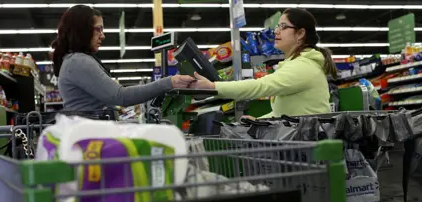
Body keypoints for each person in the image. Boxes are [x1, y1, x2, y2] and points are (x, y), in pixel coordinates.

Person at [189, 8, 337, 120]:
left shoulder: (304, 66)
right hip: (301, 140)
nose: (276, 32)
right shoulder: (295, 63)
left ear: (300, 34)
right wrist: (260, 121)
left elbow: (260, 86)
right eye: (277, 26)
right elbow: (285, 113)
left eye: (283, 27)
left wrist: (213, 87)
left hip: (309, 145)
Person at [52, 5, 194, 111]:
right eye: (98, 29)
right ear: (82, 31)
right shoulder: (78, 61)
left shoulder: (72, 60)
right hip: (88, 140)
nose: (103, 35)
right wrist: (169, 82)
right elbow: (121, 96)